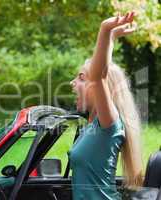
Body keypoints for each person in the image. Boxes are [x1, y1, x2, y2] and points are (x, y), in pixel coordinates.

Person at [69, 12, 143, 200]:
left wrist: (105, 29)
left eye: (81, 77)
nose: (72, 83)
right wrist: (110, 37)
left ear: (101, 88)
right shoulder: (93, 126)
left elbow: (98, 75)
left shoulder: (109, 124)